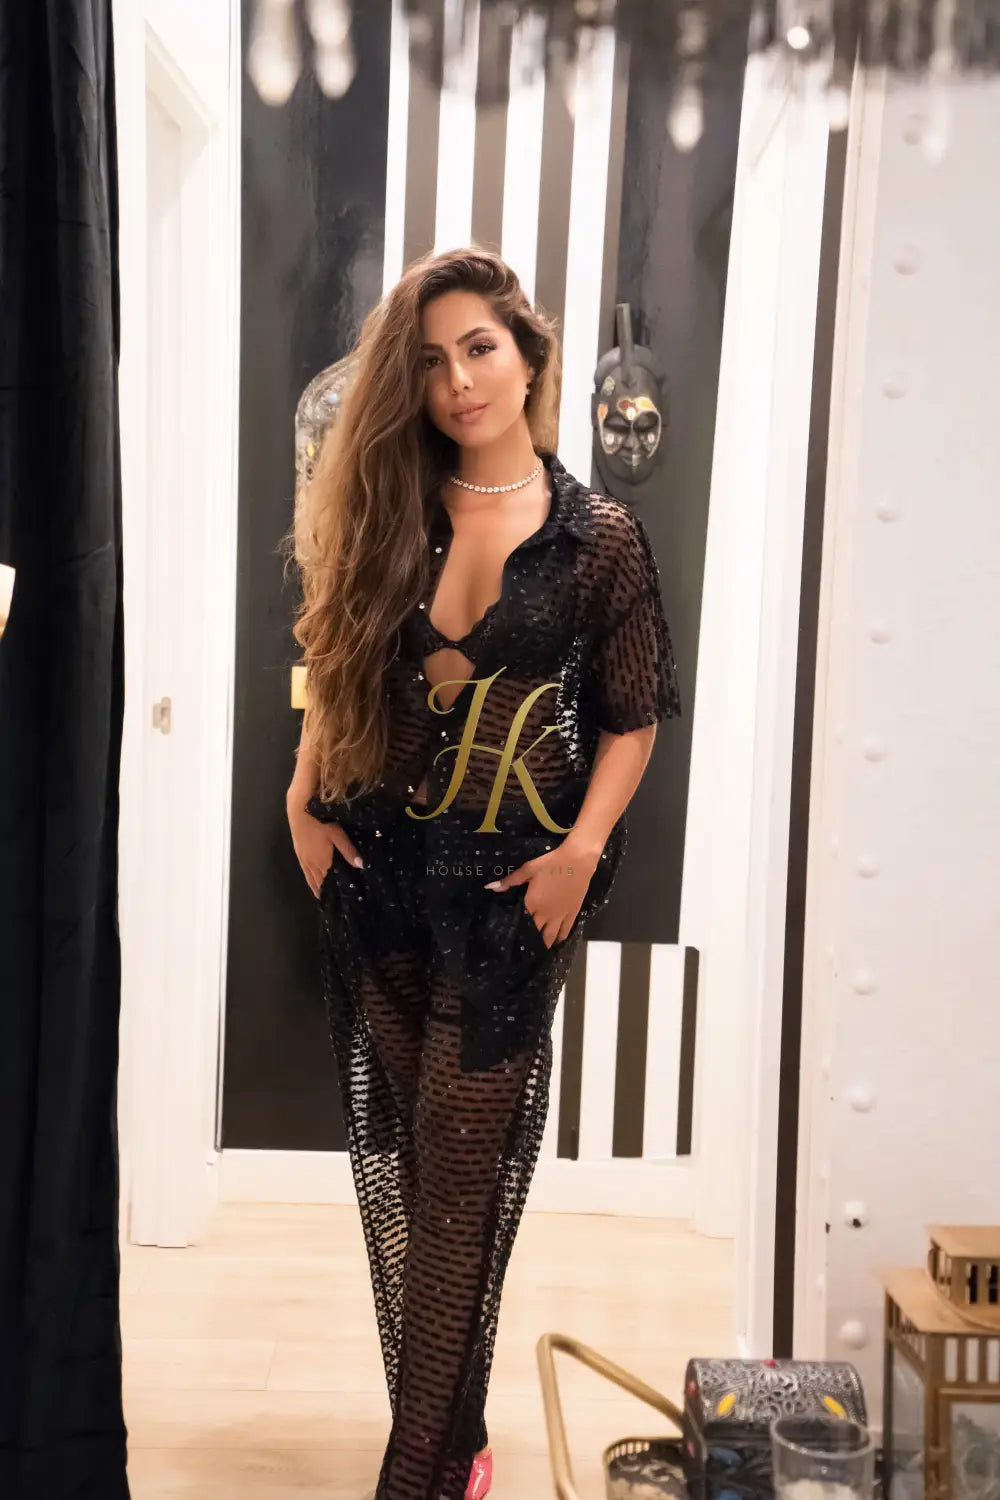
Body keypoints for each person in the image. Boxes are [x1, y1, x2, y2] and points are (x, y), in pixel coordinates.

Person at [286, 247, 681, 1500]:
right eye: (430, 359)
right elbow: (336, 663)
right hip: (378, 873)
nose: (458, 380)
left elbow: (633, 718)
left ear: (527, 357)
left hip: (514, 896)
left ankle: (416, 1470)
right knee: (409, 1175)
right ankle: (453, 1443)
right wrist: (299, 798)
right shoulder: (389, 510)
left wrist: (582, 851)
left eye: (479, 348)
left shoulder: (596, 538)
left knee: (460, 1182)